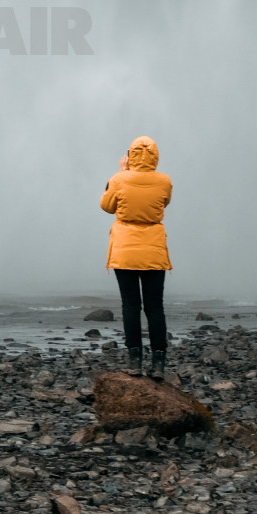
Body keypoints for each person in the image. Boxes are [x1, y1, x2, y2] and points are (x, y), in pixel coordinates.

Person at [100, 136, 172, 379]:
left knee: (131, 306)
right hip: (153, 250)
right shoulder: (164, 181)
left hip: (125, 251)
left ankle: (135, 363)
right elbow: (164, 203)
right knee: (155, 307)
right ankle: (159, 365)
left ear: (130, 156)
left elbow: (106, 205)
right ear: (155, 156)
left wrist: (120, 173)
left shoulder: (119, 179)